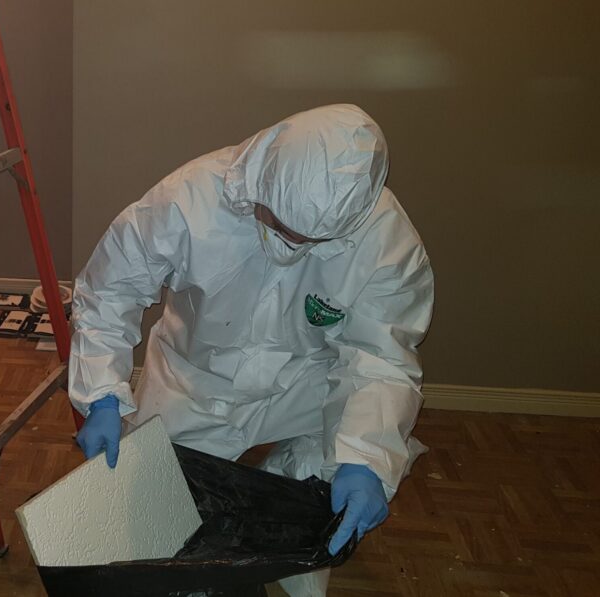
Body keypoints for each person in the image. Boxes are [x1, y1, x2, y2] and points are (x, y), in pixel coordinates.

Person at [68, 104, 434, 596]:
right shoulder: (189, 198)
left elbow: (381, 358)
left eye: (310, 239)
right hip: (195, 377)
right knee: (155, 501)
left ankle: (282, 547)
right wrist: (102, 394)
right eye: (280, 225)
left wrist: (365, 460)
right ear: (262, 183)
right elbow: (110, 291)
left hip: (306, 380)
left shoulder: (388, 242)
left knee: (326, 481)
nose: (291, 243)